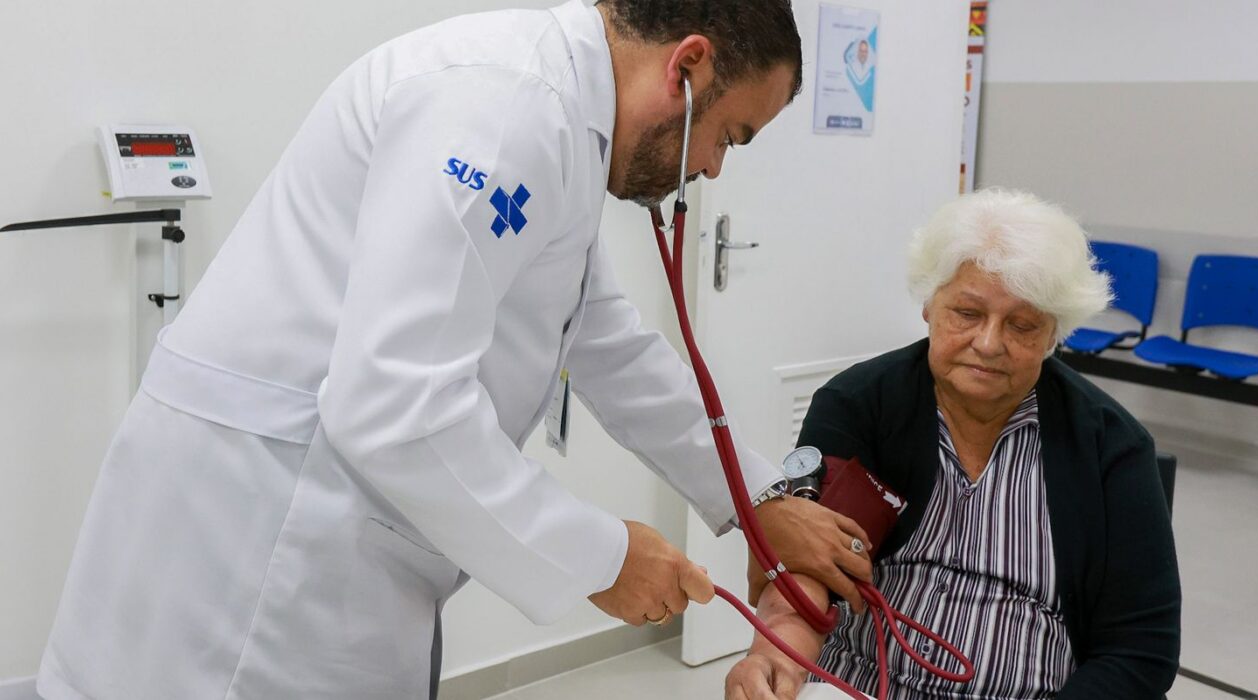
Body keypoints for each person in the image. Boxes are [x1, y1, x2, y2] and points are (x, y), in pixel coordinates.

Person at [37, 2, 877, 698]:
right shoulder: (506, 107)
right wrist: (601, 555)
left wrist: (756, 497)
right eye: (729, 135)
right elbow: (393, 406)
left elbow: (604, 340)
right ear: (686, 67)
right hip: (258, 549)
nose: (712, 170)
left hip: (328, 534)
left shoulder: (560, 124)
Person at [725, 190, 1181, 699]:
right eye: (967, 313)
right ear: (928, 305)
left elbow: (1141, 651)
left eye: (1022, 324)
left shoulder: (1112, 448)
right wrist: (774, 658)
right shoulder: (859, 404)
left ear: (1055, 333)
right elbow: (811, 564)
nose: (988, 343)